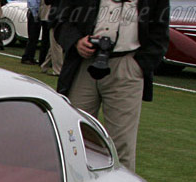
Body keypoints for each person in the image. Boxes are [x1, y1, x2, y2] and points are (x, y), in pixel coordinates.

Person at [54, 0, 170, 171]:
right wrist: (76, 42)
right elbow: (59, 19)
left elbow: (160, 34)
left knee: (121, 145)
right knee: (74, 137)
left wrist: (139, 66)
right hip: (83, 65)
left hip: (126, 66)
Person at [21, 0, 50, 64]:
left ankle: (30, 57)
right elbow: (33, 3)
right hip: (34, 12)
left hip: (37, 12)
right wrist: (35, 14)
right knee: (33, 37)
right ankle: (27, 57)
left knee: (34, 37)